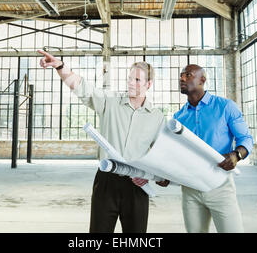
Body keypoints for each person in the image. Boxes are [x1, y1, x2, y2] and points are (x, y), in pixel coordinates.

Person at [37, 49, 165, 233]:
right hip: (107, 182)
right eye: (129, 78)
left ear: (149, 84)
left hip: (137, 186)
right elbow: (82, 87)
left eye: (137, 80)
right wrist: (60, 66)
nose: (130, 83)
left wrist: (152, 176)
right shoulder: (110, 102)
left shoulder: (157, 117)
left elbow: (160, 155)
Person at [171, 64, 253, 233]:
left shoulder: (225, 107)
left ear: (202, 80)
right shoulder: (178, 117)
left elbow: (245, 139)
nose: (182, 78)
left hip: (220, 187)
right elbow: (174, 153)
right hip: (190, 189)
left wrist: (236, 155)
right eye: (181, 75)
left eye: (188, 75)